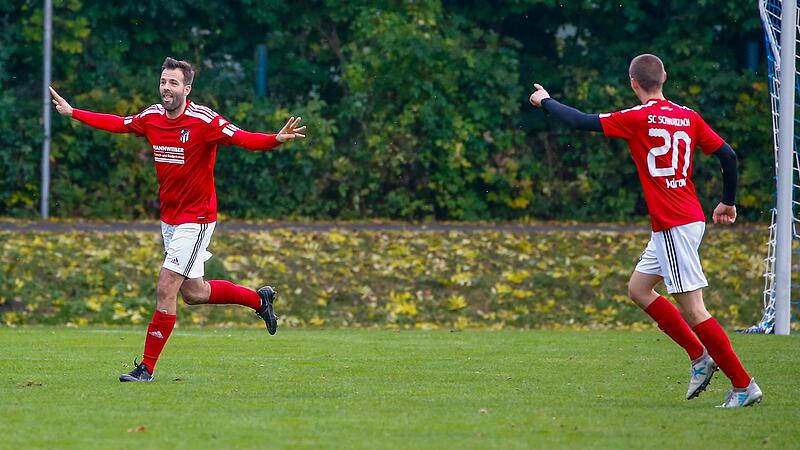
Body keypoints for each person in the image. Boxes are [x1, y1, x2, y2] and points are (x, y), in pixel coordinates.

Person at [50, 57, 307, 382]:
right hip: (170, 220)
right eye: (163, 82)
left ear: (187, 88)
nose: (166, 89)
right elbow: (118, 123)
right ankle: (259, 299)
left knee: (166, 285)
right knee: (194, 293)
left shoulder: (204, 120)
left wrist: (275, 139)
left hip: (197, 219)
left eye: (173, 83)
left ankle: (146, 368)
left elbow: (242, 138)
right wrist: (75, 113)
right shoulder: (152, 117)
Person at [528, 54, 762, 408]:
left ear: (633, 82)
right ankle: (700, 357)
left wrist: (543, 100)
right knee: (639, 288)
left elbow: (578, 121)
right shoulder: (688, 116)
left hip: (673, 223)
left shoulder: (636, 118)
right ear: (664, 76)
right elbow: (727, 155)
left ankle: (744, 385)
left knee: (695, 310)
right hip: (689, 217)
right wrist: (727, 201)